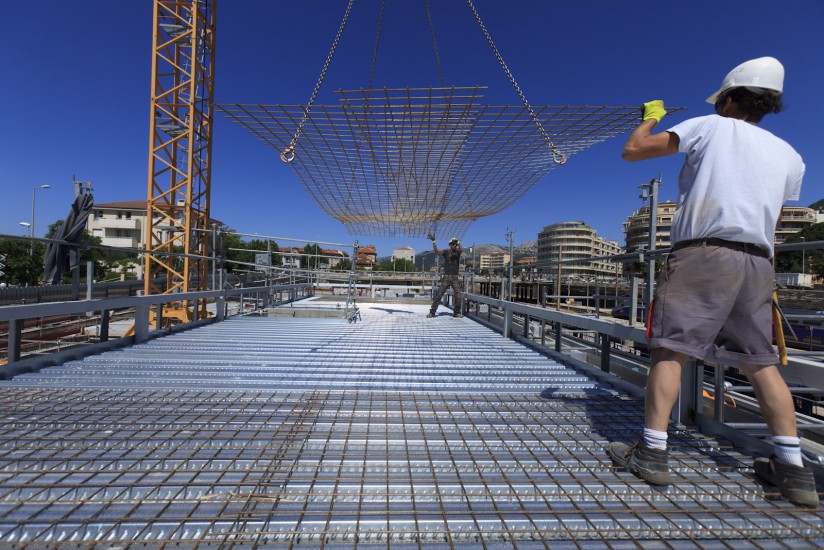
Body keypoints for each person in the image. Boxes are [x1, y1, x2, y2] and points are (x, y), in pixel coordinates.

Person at [607, 57, 819, 507]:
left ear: (727, 99)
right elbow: (775, 219)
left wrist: (651, 119)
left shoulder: (709, 126)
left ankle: (652, 452)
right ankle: (794, 470)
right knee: (761, 361)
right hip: (759, 261)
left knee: (672, 349)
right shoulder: (790, 156)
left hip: (704, 252)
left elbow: (633, 151)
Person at [426, 233, 464, 318]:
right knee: (439, 295)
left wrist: (458, 243)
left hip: (455, 278)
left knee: (458, 296)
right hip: (446, 277)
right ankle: (432, 312)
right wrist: (434, 241)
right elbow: (436, 251)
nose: (453, 245)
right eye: (452, 244)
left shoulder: (458, 252)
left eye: (454, 244)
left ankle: (456, 313)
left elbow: (461, 249)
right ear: (450, 245)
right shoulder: (446, 252)